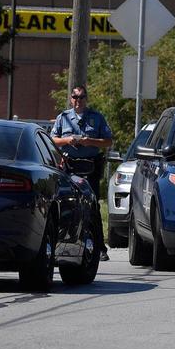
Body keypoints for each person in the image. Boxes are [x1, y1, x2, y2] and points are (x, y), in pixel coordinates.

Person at [51, 85, 113, 260]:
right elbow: (52, 140)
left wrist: (89, 141)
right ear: (71, 99)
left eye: (81, 97)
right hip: (69, 168)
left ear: (86, 99)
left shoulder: (97, 118)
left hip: (90, 168)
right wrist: (67, 140)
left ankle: (99, 247)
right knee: (66, 205)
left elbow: (108, 141)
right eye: (75, 97)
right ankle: (63, 244)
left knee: (92, 206)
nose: (78, 101)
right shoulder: (63, 118)